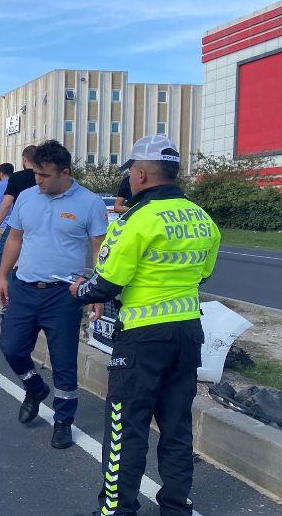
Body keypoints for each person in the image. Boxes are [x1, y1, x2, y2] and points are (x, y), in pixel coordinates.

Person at [69, 134, 221, 516]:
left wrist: (78, 290)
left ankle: (117, 510)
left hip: (142, 337)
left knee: (126, 428)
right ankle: (176, 507)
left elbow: (106, 284)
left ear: (140, 174)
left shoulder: (134, 221)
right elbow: (203, 275)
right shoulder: (202, 218)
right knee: (176, 426)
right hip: (187, 332)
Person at [0, 140, 107, 450]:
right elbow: (15, 238)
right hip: (24, 288)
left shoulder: (90, 203)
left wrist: (98, 290)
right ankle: (34, 386)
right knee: (11, 347)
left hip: (64, 295)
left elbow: (99, 248)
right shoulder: (27, 198)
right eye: (35, 174)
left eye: (43, 175)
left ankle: (63, 421)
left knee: (64, 363)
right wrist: (3, 276)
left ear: (64, 172)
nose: (38, 181)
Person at [0, 145, 38, 249]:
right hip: (40, 223)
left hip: (20, 222)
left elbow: (6, 204)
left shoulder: (16, 177)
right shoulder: (44, 177)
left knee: (1, 256)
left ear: (24, 160)